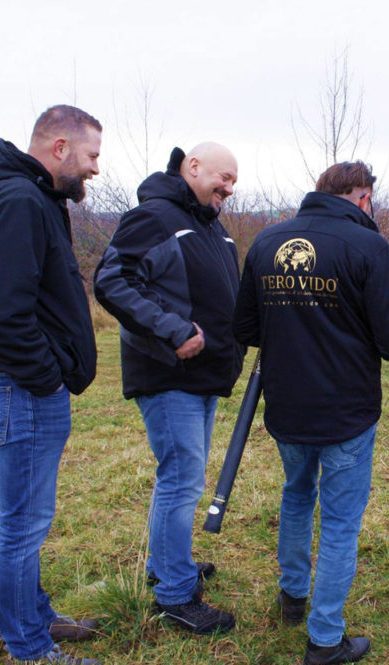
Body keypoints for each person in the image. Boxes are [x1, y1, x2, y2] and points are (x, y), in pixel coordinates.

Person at [232, 161, 389, 665]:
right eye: (372, 200)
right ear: (361, 197)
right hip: (346, 411)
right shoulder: (368, 247)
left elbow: (244, 326)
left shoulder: (268, 242)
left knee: (296, 495)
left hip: (287, 406)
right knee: (338, 523)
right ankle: (326, 638)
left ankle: (294, 596)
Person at [0, 105, 103, 665]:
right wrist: (45, 378)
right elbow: (2, 311)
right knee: (22, 525)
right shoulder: (18, 200)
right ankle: (31, 648)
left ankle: (36, 618)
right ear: (60, 147)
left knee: (30, 518)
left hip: (21, 386)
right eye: (91, 156)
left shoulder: (32, 197)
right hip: (17, 387)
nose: (94, 169)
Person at [94, 142, 244, 635]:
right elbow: (113, 280)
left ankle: (168, 564)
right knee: (183, 480)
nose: (229, 188)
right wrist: (172, 330)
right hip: (167, 372)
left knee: (178, 478)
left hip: (203, 376)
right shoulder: (154, 217)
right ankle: (176, 595)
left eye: (234, 183)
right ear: (193, 166)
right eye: (223, 177)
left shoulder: (210, 225)